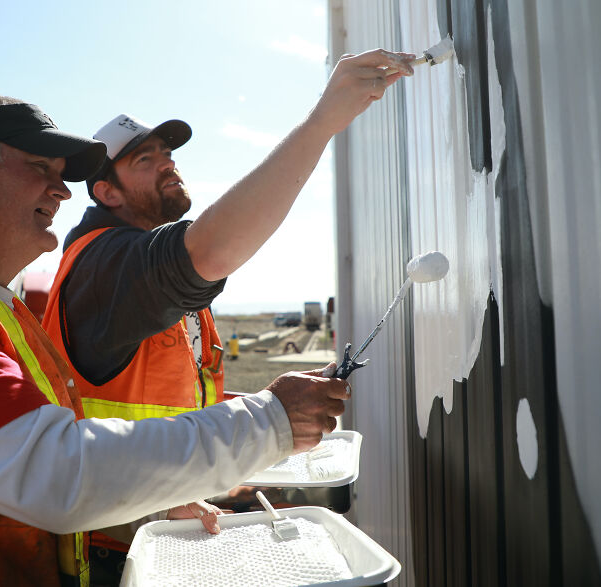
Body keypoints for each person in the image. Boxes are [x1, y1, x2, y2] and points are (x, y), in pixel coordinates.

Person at [0, 94, 351, 586]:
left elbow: (24, 461)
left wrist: (153, 491)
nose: (63, 192)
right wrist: (268, 423)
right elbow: (55, 473)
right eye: (41, 168)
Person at [40, 49, 414, 576]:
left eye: (167, 152)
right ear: (106, 192)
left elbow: (178, 401)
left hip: (163, 519)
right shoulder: (105, 265)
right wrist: (322, 122)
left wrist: (268, 406)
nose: (168, 162)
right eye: (143, 160)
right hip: (117, 550)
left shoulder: (135, 272)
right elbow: (209, 251)